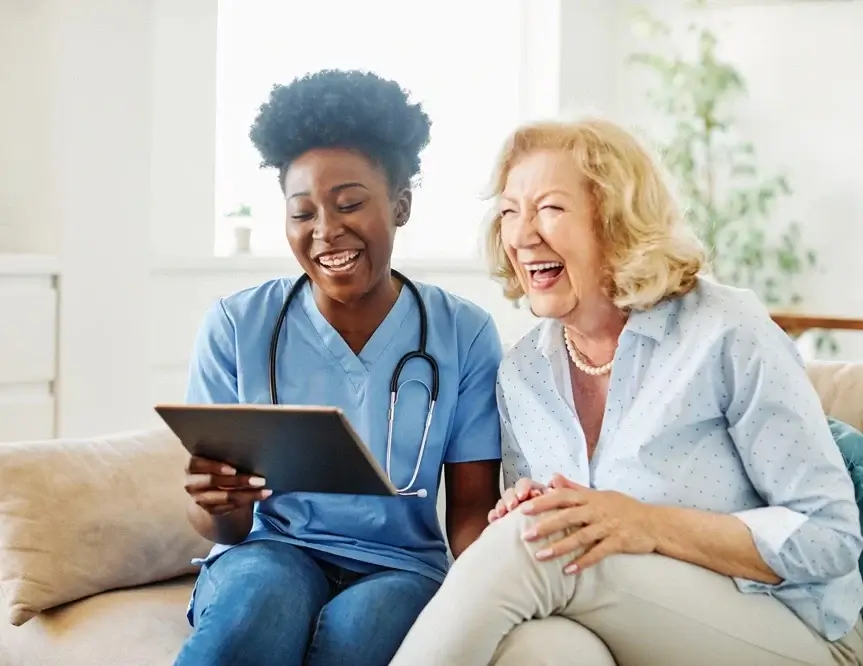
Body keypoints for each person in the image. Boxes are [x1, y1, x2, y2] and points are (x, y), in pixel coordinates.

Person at [391, 118, 863, 666]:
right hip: (632, 622)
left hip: (794, 626)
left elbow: (829, 538)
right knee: (538, 648)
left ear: (617, 222)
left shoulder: (725, 330)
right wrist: (527, 505)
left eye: (549, 208)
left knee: (534, 543)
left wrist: (645, 524)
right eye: (510, 212)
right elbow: (563, 545)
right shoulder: (523, 372)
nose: (521, 235)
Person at [172, 69, 503, 666]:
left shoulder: (465, 333)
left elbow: (471, 509)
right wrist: (214, 505)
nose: (326, 231)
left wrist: (501, 584)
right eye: (302, 213)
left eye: (349, 204)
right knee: (260, 600)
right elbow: (225, 527)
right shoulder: (237, 327)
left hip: (401, 567)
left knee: (363, 630)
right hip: (270, 550)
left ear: (400, 205)